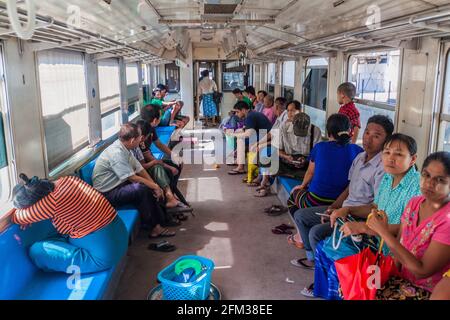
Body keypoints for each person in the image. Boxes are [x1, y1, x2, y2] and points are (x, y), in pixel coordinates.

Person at [310, 133, 421, 300]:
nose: (390, 158)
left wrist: (364, 228)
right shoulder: (388, 177)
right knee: (323, 249)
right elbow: (375, 207)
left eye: (398, 154)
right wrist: (348, 210)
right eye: (387, 152)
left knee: (339, 268)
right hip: (375, 240)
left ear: (412, 159)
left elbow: (407, 229)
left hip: (394, 252)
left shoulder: (417, 187)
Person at [292, 115, 393, 270]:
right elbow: (349, 189)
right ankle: (314, 261)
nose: (368, 139)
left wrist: (346, 210)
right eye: (367, 133)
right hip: (344, 209)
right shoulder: (359, 157)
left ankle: (324, 274)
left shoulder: (382, 169)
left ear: (387, 141)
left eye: (376, 136)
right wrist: (333, 207)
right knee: (301, 216)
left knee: (315, 233)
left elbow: (377, 207)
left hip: (358, 216)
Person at [365, 151, 450, 300]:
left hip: (427, 291)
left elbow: (422, 270)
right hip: (403, 279)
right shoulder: (415, 203)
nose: (430, 183)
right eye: (426, 175)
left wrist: (383, 232)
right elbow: (400, 245)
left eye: (440, 180)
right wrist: (390, 277)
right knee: (357, 286)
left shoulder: (447, 220)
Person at [6, 174, 128, 273]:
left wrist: (28, 215)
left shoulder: (50, 203)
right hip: (120, 234)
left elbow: (17, 218)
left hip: (104, 256)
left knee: (36, 251)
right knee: (55, 234)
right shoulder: (68, 179)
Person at [283, 114, 363, 251]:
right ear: (349, 130)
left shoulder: (320, 147)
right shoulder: (358, 151)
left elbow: (310, 172)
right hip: (342, 201)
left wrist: (302, 186)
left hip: (315, 200)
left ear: (329, 132)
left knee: (293, 198)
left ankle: (301, 237)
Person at [92, 123, 175, 239]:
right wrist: (154, 187)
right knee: (142, 189)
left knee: (150, 185)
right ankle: (156, 227)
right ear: (132, 140)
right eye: (139, 138)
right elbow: (132, 177)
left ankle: (163, 219)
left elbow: (139, 169)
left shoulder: (125, 148)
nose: (141, 140)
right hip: (108, 193)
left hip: (119, 184)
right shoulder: (116, 153)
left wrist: (155, 185)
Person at [226, 101, 273, 175]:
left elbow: (248, 134)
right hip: (260, 134)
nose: (236, 114)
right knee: (239, 132)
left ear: (244, 110)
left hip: (266, 137)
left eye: (238, 112)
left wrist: (233, 135)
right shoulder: (250, 114)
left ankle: (240, 167)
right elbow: (245, 129)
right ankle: (239, 160)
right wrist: (232, 132)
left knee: (241, 139)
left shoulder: (250, 116)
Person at [277, 104, 322, 180]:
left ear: (308, 126)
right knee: (267, 156)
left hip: (307, 162)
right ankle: (296, 175)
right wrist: (286, 157)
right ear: (292, 123)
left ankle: (293, 175)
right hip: (287, 160)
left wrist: (306, 160)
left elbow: (317, 155)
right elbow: (278, 150)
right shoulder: (284, 127)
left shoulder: (315, 131)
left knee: (319, 167)